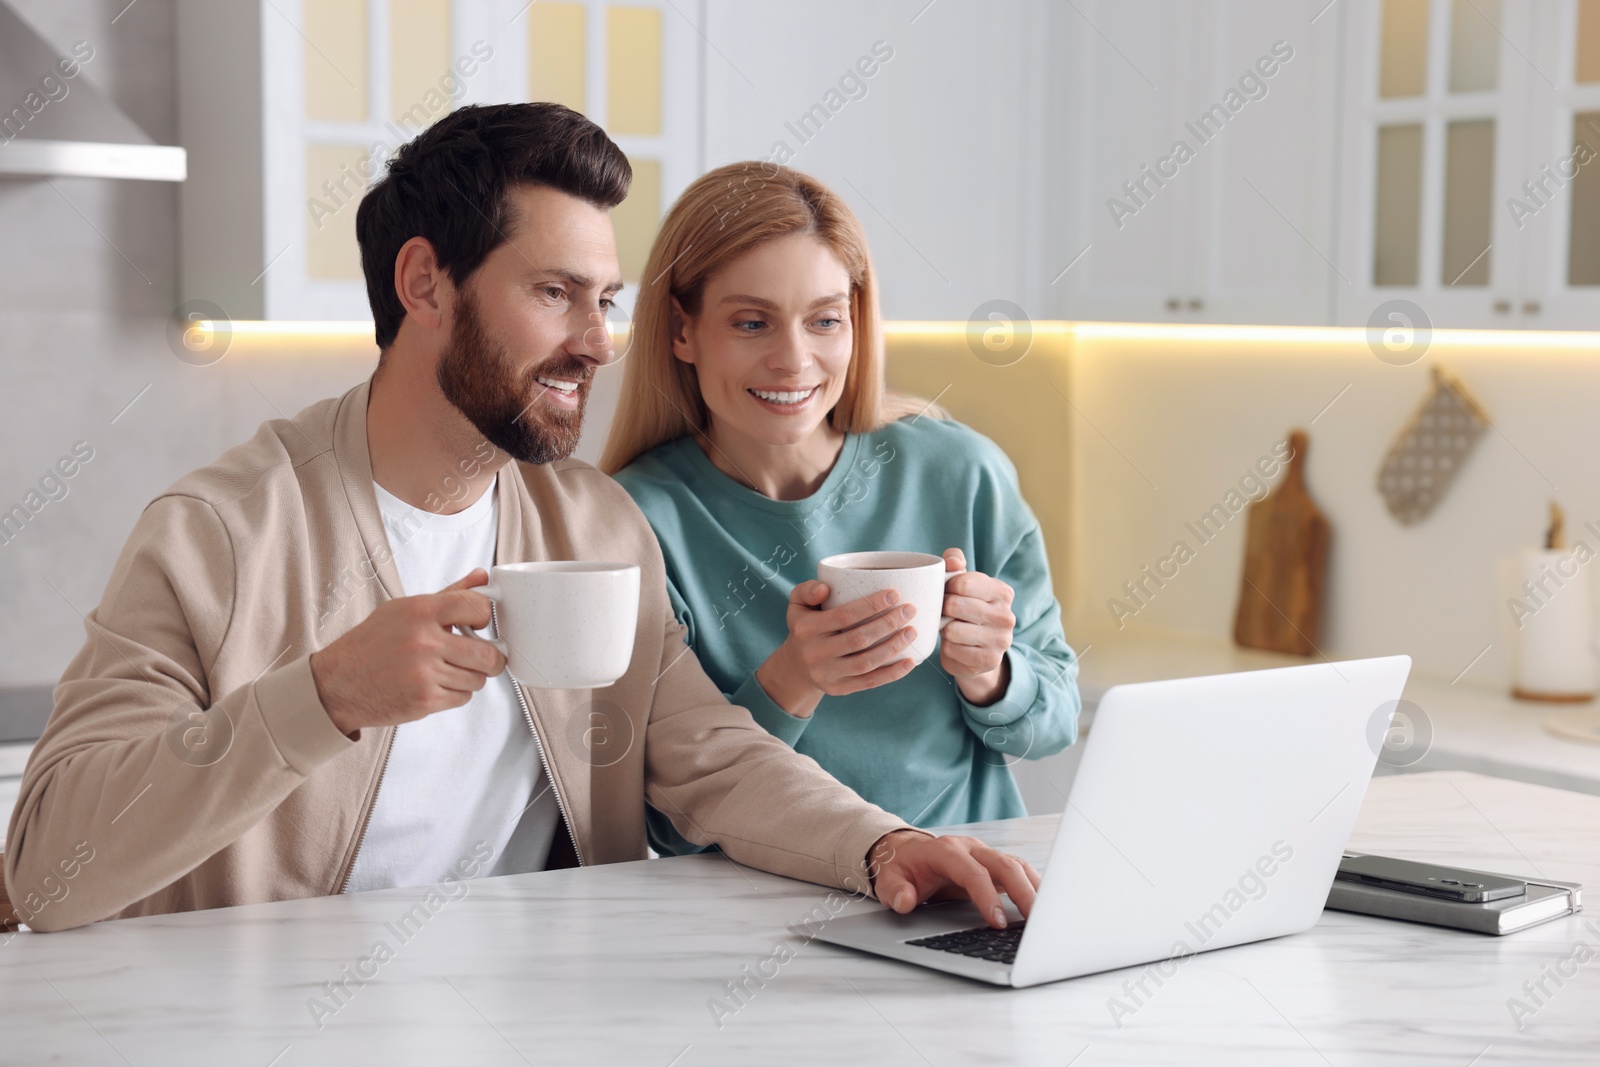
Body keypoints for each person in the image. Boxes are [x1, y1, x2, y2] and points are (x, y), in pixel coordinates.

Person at [2, 104, 1039, 933]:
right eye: (556, 293)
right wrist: (321, 696)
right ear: (425, 284)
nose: (598, 341)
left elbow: (709, 754)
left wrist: (879, 845)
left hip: (535, 1014)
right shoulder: (216, 536)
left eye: (607, 300)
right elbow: (46, 872)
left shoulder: (590, 523)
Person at [601, 163, 1081, 856]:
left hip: (973, 883)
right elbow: (662, 822)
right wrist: (794, 678)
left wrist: (993, 674)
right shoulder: (635, 521)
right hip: (757, 908)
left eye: (824, 319)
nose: (793, 360)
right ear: (682, 329)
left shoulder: (959, 472)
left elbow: (1057, 720)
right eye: (751, 322)